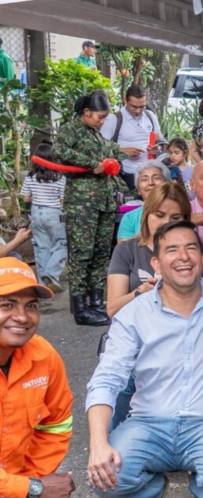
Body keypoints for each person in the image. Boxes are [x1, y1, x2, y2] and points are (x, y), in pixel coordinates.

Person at [87, 221, 203, 498]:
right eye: (172, 250)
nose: (183, 256)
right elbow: (107, 379)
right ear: (157, 264)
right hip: (147, 423)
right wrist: (97, 442)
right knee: (104, 478)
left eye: (191, 248)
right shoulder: (134, 313)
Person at [0, 259, 90, 498]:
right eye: (7, 304)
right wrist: (31, 490)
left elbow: (56, 425)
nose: (22, 316)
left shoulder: (42, 355)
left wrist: (27, 483)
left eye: (31, 305)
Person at [54, 90, 123, 326]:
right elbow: (59, 151)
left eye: (105, 117)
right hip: (82, 204)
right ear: (86, 112)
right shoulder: (71, 129)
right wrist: (92, 164)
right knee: (82, 256)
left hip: (103, 201)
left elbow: (109, 153)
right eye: (99, 116)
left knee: (100, 254)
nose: (102, 121)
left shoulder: (96, 134)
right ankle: (81, 309)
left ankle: (96, 303)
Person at [108, 181, 203, 318]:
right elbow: (112, 310)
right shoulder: (125, 250)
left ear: (185, 220)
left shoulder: (193, 248)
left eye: (175, 217)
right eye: (160, 215)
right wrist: (140, 292)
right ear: (146, 215)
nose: (166, 223)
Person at [100, 85, 162, 194]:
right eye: (133, 107)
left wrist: (158, 148)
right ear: (125, 100)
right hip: (127, 174)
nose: (138, 111)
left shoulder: (150, 116)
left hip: (150, 173)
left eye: (142, 106)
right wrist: (123, 150)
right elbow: (100, 146)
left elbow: (160, 140)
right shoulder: (114, 119)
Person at [21, 142, 66, 292]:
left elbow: (26, 199)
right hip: (54, 214)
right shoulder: (60, 178)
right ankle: (51, 274)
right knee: (60, 244)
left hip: (36, 213)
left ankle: (42, 284)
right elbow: (62, 201)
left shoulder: (30, 177)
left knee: (42, 247)